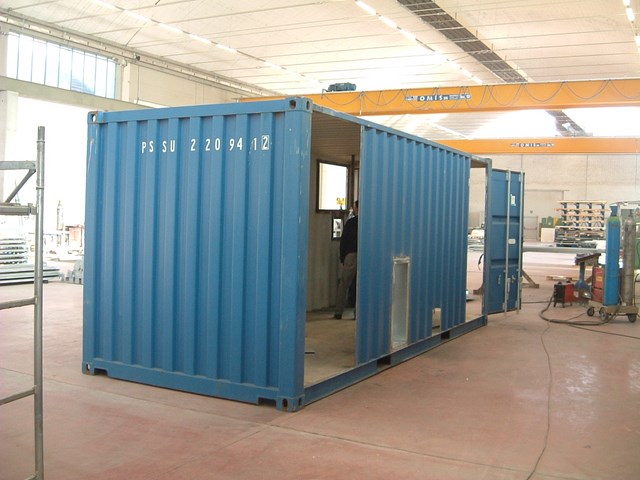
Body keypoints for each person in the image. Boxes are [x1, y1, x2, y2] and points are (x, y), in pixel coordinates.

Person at [334, 200, 358, 319]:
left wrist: (343, 258)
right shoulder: (367, 223)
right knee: (360, 285)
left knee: (344, 283)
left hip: (351, 255)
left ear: (357, 208)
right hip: (364, 255)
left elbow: (344, 241)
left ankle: (338, 311)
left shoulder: (350, 223)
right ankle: (358, 313)